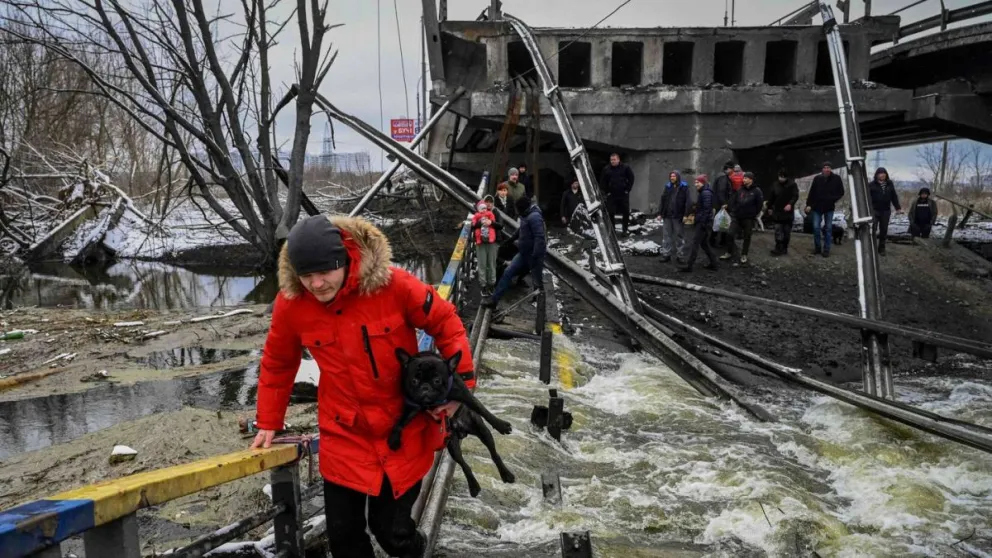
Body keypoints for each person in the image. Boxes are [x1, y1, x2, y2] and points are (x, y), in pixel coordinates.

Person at [250, 215, 475, 558]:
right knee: (344, 537)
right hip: (344, 434)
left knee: (391, 533)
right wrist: (268, 420)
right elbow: (279, 362)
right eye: (306, 275)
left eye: (325, 271)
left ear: (345, 259)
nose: (317, 284)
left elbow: (447, 323)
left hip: (403, 429)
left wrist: (459, 391)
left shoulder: (394, 285)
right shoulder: (292, 304)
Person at [483, 196, 546, 308]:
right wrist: (511, 239)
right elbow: (521, 229)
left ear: (522, 208)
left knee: (537, 282)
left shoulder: (534, 217)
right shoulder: (525, 215)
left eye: (518, 210)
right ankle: (494, 300)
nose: (517, 212)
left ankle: (540, 307)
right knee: (508, 272)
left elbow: (540, 238)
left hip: (533, 255)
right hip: (523, 253)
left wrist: (535, 255)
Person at [721, 171, 763, 265]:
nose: (744, 180)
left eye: (746, 178)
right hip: (737, 216)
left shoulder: (757, 191)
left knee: (747, 236)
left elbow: (759, 205)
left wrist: (753, 214)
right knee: (730, 233)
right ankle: (729, 252)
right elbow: (734, 200)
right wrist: (730, 208)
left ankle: (744, 254)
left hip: (748, 218)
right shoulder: (740, 189)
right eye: (744, 178)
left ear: (751, 180)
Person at [804, 162, 845, 258]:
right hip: (817, 207)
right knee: (816, 228)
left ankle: (826, 250)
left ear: (831, 169)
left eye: (828, 167)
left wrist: (832, 199)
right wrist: (808, 204)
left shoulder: (836, 179)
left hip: (829, 207)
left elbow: (841, 192)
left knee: (828, 229)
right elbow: (812, 192)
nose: (826, 169)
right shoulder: (817, 179)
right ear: (822, 169)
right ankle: (817, 248)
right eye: (825, 167)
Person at [681, 175, 719, 272]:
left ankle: (689, 266)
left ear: (703, 183)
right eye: (695, 182)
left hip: (704, 223)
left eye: (698, 182)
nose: (695, 184)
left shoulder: (705, 193)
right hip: (705, 222)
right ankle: (714, 263)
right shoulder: (704, 192)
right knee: (704, 244)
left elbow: (706, 210)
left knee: (695, 243)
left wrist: (701, 222)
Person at [658, 170, 692, 264]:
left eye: (674, 176)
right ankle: (666, 255)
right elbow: (663, 200)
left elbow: (688, 202)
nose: (672, 178)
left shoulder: (684, 187)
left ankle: (680, 256)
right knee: (666, 236)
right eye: (671, 176)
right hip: (667, 216)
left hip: (678, 216)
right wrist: (660, 213)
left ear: (678, 177)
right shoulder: (668, 186)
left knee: (679, 236)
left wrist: (686, 214)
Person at [599, 152, 635, 236]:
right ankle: (612, 231)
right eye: (611, 160)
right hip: (612, 194)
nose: (612, 161)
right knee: (611, 212)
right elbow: (602, 182)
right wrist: (607, 192)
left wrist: (628, 189)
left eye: (614, 160)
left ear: (618, 160)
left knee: (625, 212)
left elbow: (631, 178)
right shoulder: (606, 169)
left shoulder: (625, 167)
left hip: (623, 193)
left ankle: (624, 230)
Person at [868, 167, 902, 255]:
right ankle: (871, 247)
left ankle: (881, 248)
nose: (882, 175)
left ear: (886, 174)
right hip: (874, 210)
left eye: (884, 173)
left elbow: (894, 196)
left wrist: (897, 208)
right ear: (877, 175)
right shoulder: (871, 185)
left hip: (886, 211)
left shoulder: (889, 184)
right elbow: (867, 198)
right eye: (880, 173)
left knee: (884, 230)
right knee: (873, 229)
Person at [766, 169, 799, 256]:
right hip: (777, 211)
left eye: (783, 177)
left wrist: (790, 204)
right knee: (777, 229)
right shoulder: (775, 185)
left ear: (786, 177)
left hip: (788, 212)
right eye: (780, 177)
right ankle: (778, 247)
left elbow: (795, 196)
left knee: (786, 231)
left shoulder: (792, 185)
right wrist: (769, 207)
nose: (781, 179)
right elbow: (771, 197)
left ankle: (784, 247)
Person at [472, 200, 501, 295]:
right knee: (482, 265)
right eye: (487, 202)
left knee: (492, 264)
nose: (488, 204)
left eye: (491, 202)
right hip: (481, 243)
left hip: (492, 242)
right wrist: (480, 222)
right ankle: (483, 286)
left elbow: (500, 225)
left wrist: (491, 223)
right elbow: (473, 225)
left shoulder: (495, 212)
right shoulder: (477, 214)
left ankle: (492, 284)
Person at [711, 162, 734, 248]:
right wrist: (724, 203)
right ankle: (716, 241)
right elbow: (721, 191)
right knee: (720, 222)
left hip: (718, 204)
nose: (732, 172)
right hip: (721, 205)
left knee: (719, 222)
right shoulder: (723, 178)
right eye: (732, 170)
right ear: (728, 169)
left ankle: (718, 241)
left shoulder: (722, 176)